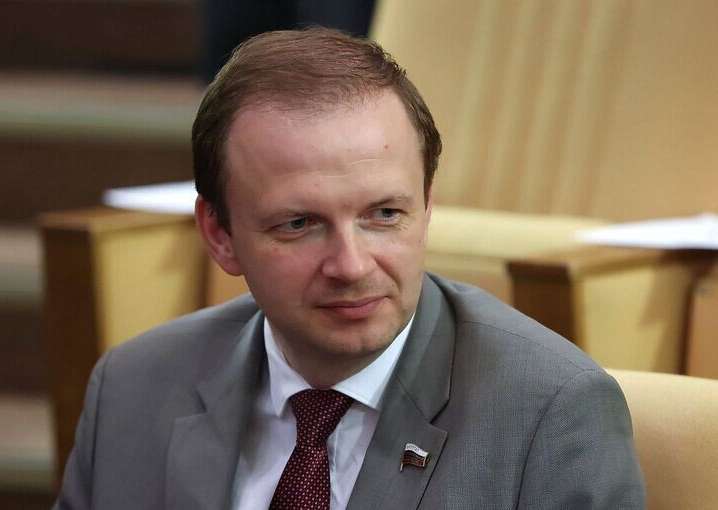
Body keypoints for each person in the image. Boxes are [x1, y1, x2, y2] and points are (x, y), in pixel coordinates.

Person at [55, 27, 645, 509]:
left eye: (384, 214)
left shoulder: (549, 415)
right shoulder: (134, 387)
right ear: (220, 235)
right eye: (299, 224)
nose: (351, 264)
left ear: (427, 206)